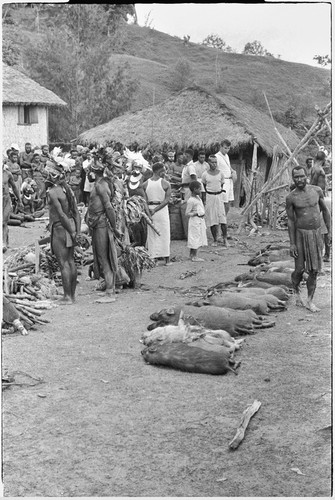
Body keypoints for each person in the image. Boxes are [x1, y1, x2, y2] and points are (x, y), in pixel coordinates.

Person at [285, 165, 331, 312]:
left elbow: (325, 211)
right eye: (296, 177)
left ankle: (310, 301)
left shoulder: (316, 191)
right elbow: (291, 221)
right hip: (300, 234)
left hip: (316, 233)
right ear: (293, 179)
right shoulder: (291, 197)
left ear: (307, 176)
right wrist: (292, 243)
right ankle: (296, 290)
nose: (299, 179)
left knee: (314, 270)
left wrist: (329, 232)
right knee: (299, 269)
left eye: (301, 176)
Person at [86, 154, 121, 303]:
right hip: (97, 224)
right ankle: (110, 288)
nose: (87, 174)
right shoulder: (100, 184)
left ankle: (110, 293)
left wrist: (114, 228)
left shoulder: (101, 185)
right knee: (102, 257)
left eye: (89, 172)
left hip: (101, 225)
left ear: (94, 172)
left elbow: (109, 208)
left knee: (104, 258)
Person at [46, 161, 81, 305]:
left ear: (52, 175)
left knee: (63, 262)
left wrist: (72, 232)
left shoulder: (53, 192)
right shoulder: (68, 190)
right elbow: (76, 213)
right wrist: (77, 231)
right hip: (70, 225)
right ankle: (72, 296)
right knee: (71, 260)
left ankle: (67, 297)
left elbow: (61, 215)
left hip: (61, 228)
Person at [143, 162, 172, 265]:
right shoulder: (165, 183)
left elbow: (144, 201)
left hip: (152, 209)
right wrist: (154, 210)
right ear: (159, 171)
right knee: (164, 233)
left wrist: (150, 211)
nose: (164, 172)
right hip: (160, 210)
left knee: (153, 234)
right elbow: (166, 200)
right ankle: (165, 259)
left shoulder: (145, 184)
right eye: (163, 170)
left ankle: (154, 257)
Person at [201, 155, 228, 247]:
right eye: (212, 162)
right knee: (212, 220)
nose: (214, 164)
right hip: (210, 197)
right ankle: (215, 239)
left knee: (222, 219)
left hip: (219, 196)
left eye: (216, 162)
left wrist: (218, 193)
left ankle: (225, 239)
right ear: (208, 163)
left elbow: (222, 185)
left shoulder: (221, 174)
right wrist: (206, 198)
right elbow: (204, 187)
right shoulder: (205, 174)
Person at [2, 162, 23, 252]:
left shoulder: (7, 174)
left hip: (6, 200)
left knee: (3, 222)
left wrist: (19, 200)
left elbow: (14, 187)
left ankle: (4, 244)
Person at [185, 180, 207, 262]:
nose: (200, 190)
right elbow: (187, 213)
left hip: (200, 220)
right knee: (195, 237)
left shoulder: (198, 198)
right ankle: (194, 256)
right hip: (195, 220)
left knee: (197, 236)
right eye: (199, 189)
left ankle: (192, 254)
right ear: (194, 189)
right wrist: (196, 213)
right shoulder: (191, 200)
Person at [215, 139, 236, 218]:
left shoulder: (227, 156)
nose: (227, 150)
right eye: (225, 148)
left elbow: (228, 167)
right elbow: (216, 170)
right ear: (221, 147)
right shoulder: (217, 157)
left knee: (228, 201)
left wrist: (233, 171)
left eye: (228, 148)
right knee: (223, 202)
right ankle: (220, 218)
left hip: (229, 180)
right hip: (223, 182)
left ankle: (224, 218)